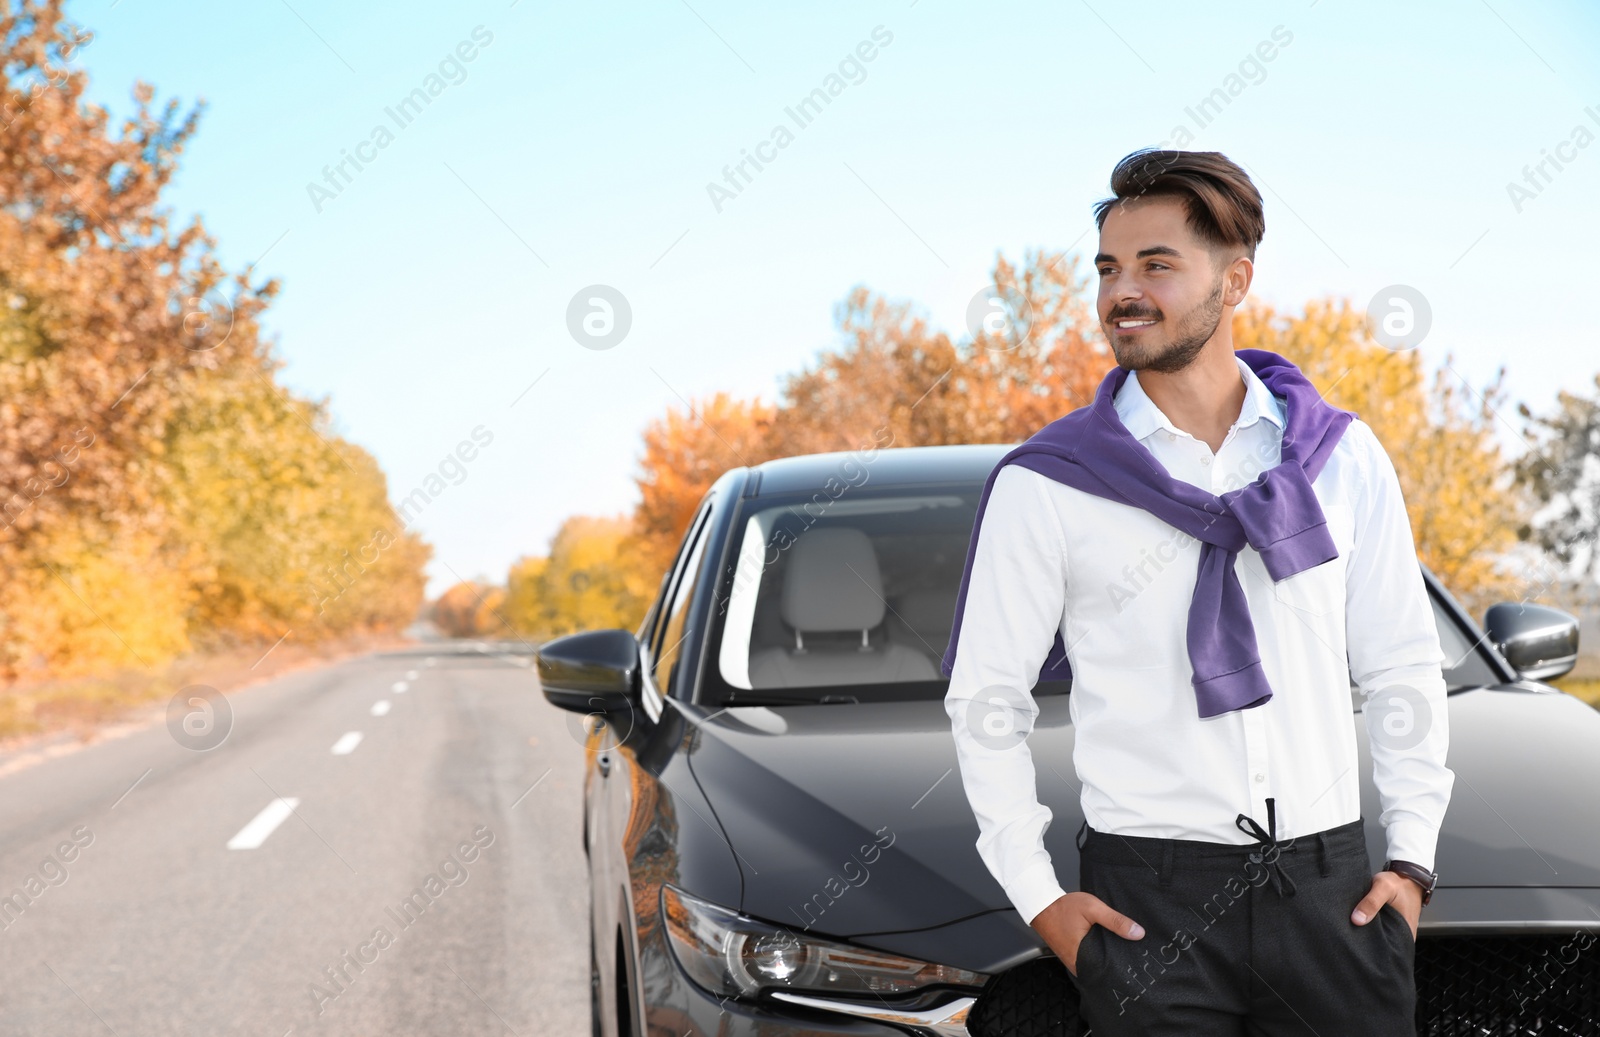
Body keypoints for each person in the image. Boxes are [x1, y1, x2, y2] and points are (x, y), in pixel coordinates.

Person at [942, 148, 1452, 1035]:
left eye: (1155, 265)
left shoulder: (1340, 459)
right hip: (1150, 912)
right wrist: (1040, 897)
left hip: (1336, 904)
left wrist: (1410, 863)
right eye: (1107, 268)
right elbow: (986, 700)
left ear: (1235, 280)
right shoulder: (1053, 482)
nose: (1121, 292)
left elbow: (1402, 665)